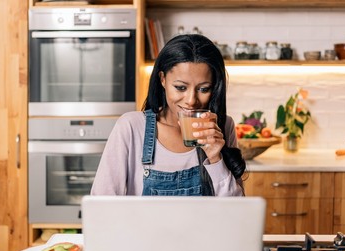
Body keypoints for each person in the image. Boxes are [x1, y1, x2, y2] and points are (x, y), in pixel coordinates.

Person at [91, 34, 246, 196]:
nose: (191, 101)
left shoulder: (223, 126)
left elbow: (236, 214)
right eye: (180, 87)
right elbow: (101, 204)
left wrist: (216, 159)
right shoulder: (132, 127)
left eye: (203, 89)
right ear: (163, 79)